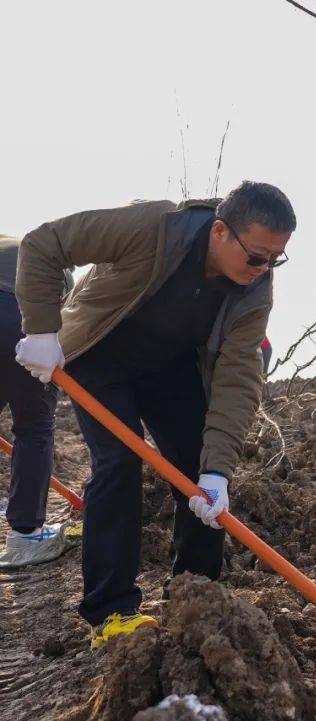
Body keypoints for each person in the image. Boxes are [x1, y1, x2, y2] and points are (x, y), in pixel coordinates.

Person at [14, 182, 295, 647]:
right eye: (257, 257)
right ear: (221, 231)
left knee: (197, 471)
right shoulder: (153, 228)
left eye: (275, 260)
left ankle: (196, 598)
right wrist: (42, 330)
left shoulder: (254, 292)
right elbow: (46, 243)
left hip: (171, 368)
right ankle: (111, 612)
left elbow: (238, 376)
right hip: (99, 356)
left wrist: (218, 472)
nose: (264, 269)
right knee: (120, 461)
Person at [0, 235, 73, 568]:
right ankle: (26, 534)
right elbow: (68, 320)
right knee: (34, 426)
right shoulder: (51, 264)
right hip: (19, 317)